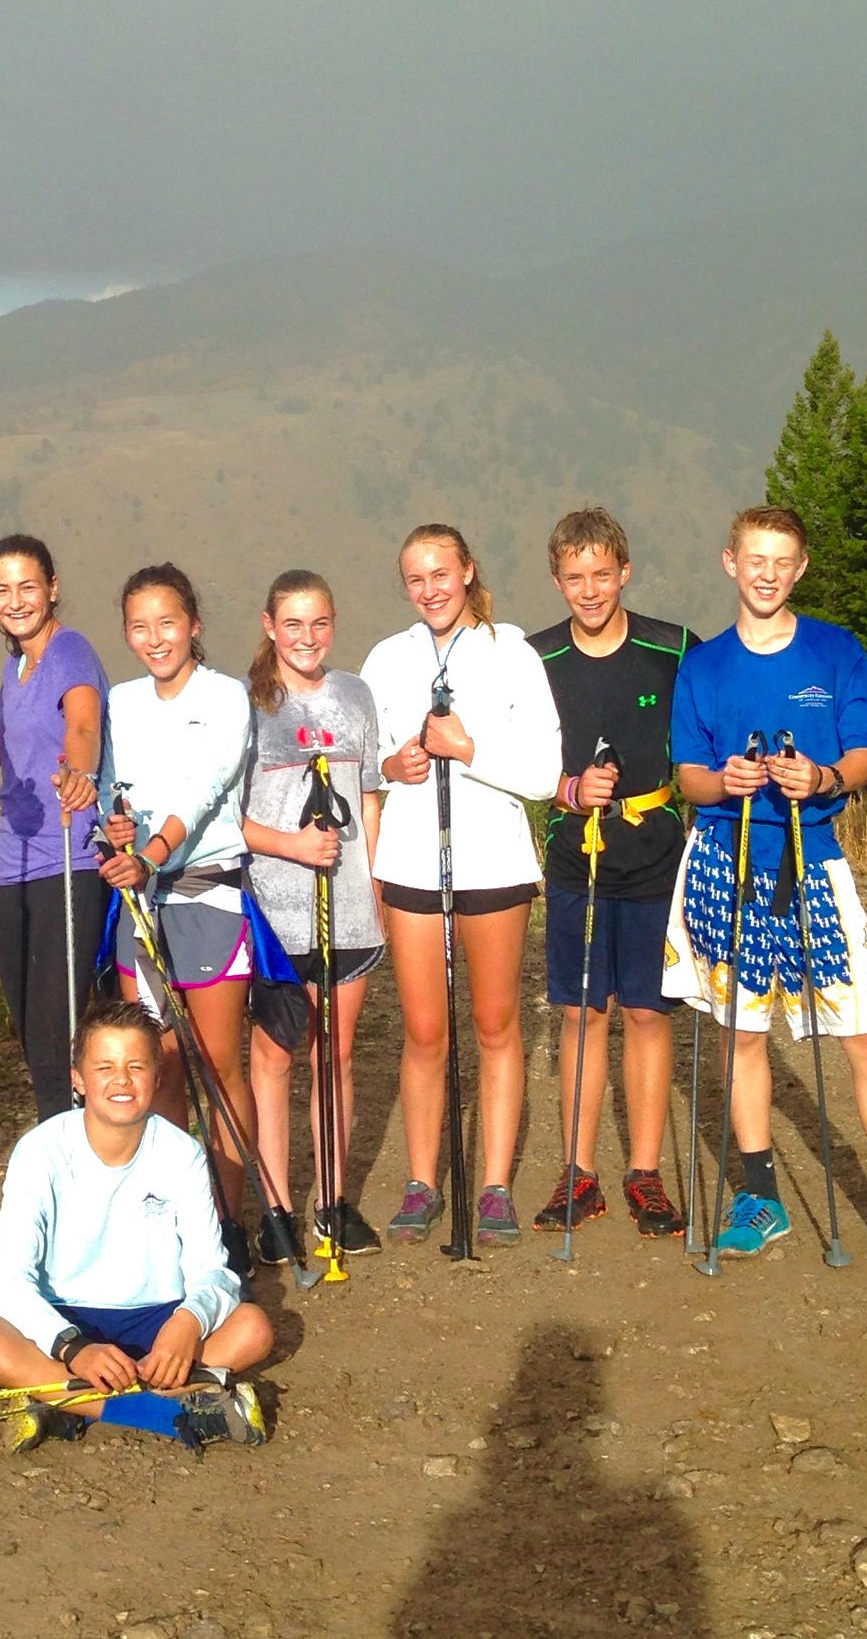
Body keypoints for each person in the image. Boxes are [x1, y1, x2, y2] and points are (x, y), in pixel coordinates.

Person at [665, 505, 867, 1276]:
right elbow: (688, 775)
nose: (768, 573)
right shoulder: (703, 666)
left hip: (814, 862)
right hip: (725, 859)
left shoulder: (836, 652)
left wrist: (822, 777)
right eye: (755, 559)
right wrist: (728, 780)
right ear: (730, 562)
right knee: (742, 1033)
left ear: (801, 567)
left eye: (782, 560)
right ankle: (759, 1196)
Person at [361, 523, 561, 1249]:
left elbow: (544, 774)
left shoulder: (514, 654)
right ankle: (422, 1182)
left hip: (495, 863)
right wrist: (396, 765)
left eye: (441, 574)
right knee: (422, 1031)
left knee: (496, 1026)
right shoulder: (387, 658)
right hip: (413, 862)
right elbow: (368, 762)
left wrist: (466, 749)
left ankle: (494, 1186)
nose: (429, 590)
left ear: (467, 569)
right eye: (415, 579)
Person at [0, 998, 271, 1451]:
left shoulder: (182, 1153)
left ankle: (59, 1397)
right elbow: (7, 1278)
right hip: (65, 1316)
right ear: (78, 1080)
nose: (121, 1080)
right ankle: (161, 1409)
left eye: (136, 1066)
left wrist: (187, 1322)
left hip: (158, 1319)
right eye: (104, 1067)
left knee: (253, 1328)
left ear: (157, 1078)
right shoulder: (41, 1151)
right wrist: (72, 1348)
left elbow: (213, 1269)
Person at [526, 510, 694, 1238]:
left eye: (601, 574)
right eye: (574, 578)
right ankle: (578, 1170)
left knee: (648, 1013)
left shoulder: (674, 648)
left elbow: (708, 729)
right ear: (557, 580)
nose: (589, 591)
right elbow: (518, 753)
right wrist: (567, 790)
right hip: (575, 855)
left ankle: (646, 1173)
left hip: (657, 852)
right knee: (580, 1014)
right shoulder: (535, 660)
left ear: (624, 572)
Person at [95, 562, 259, 1278]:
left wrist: (153, 853)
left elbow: (204, 786)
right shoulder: (121, 702)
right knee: (157, 1066)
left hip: (208, 895)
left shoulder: (227, 697)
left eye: (167, 622)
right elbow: (112, 793)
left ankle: (229, 1223)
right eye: (139, 626)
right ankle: (170, 1222)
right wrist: (116, 831)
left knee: (220, 1067)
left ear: (194, 624)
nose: (154, 638)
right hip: (143, 905)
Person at [240, 569, 384, 1265]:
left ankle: (332, 1200)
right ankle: (275, 1209)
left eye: (319, 623)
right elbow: (224, 820)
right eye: (292, 624)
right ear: (269, 625)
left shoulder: (355, 694)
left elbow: (373, 794)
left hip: (348, 911)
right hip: (273, 916)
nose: (307, 637)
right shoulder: (249, 703)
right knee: (273, 1057)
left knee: (337, 1055)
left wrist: (375, 888)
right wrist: (291, 845)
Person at [0, 535, 110, 1123]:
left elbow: (82, 722)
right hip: (16, 866)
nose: (16, 600)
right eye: (2, 590)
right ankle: (67, 1136)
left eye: (28, 586)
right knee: (31, 1025)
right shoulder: (15, 664)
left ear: (52, 588)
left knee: (57, 1028)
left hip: (69, 861)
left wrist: (79, 772)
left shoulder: (70, 651)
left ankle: (77, 1148)